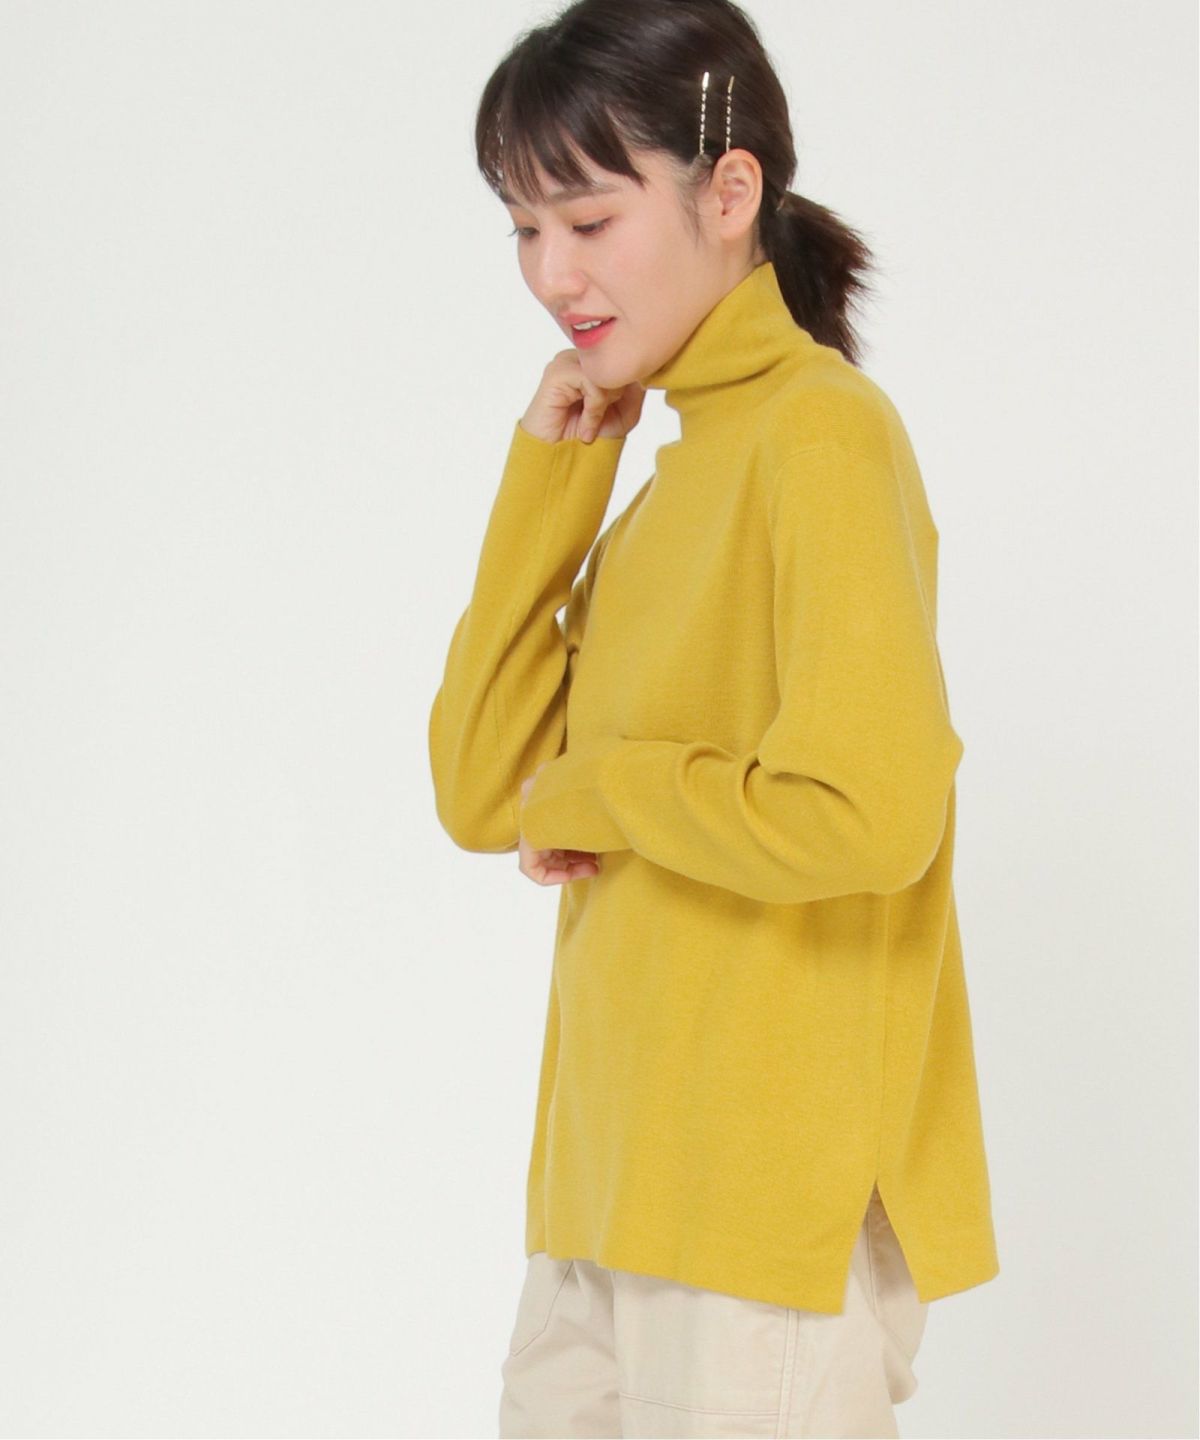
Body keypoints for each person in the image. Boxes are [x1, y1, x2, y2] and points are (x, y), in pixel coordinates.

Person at [428, 1, 1000, 1434]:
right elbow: (484, 788)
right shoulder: (669, 473)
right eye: (522, 228)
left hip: (760, 1230)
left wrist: (606, 789)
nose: (550, 273)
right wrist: (553, 478)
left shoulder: (821, 434)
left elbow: (869, 816)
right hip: (603, 1205)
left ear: (728, 192)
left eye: (588, 219)